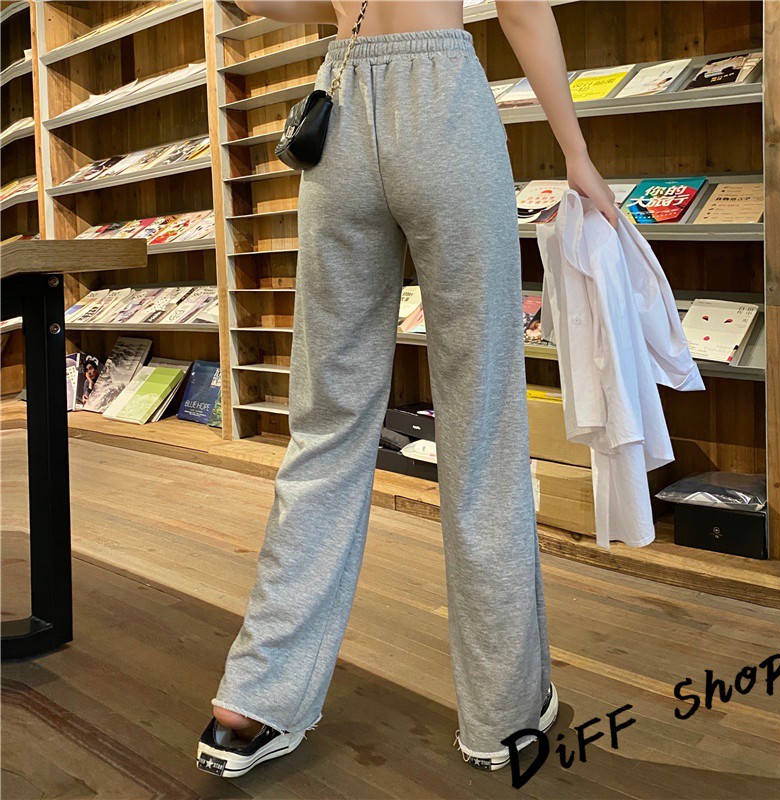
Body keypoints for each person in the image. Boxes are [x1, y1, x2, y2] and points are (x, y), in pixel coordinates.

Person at [197, 0, 617, 779]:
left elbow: (264, 2)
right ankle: (501, 715)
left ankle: (252, 701)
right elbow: (523, 10)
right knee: (481, 421)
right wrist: (577, 153)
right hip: (442, 106)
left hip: (338, 114)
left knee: (326, 424)